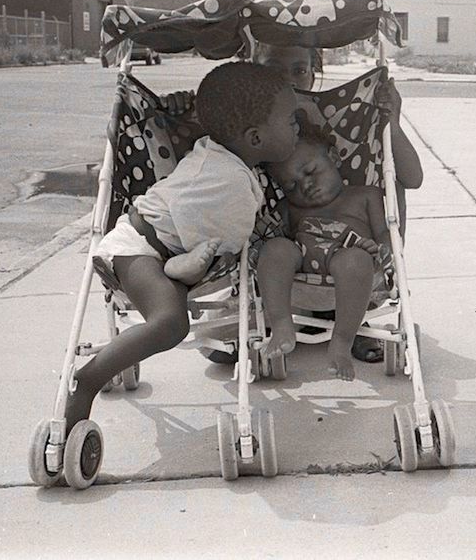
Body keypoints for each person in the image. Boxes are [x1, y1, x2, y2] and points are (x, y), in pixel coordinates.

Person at [63, 63, 299, 432]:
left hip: (162, 252)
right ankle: (87, 380)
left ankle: (180, 270)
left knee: (175, 302)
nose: (297, 127)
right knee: (170, 323)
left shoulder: (221, 153)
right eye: (291, 121)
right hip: (138, 248)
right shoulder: (227, 179)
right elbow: (232, 240)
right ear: (254, 139)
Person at [165, 43, 423, 363]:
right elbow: (213, 150)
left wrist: (391, 123)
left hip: (349, 275)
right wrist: (180, 115)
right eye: (274, 71)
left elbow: (411, 179)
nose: (288, 80)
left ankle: (346, 326)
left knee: (352, 263)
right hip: (291, 282)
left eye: (299, 71)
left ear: (314, 73)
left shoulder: (338, 128)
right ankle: (288, 324)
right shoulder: (251, 131)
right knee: (214, 342)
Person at [256, 126, 392, 381]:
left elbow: (384, 232)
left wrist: (383, 251)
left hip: (350, 261)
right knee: (275, 248)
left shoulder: (365, 195)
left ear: (334, 157)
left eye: (310, 171)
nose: (305, 185)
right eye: (291, 185)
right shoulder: (290, 208)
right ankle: (281, 323)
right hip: (303, 268)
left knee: (355, 260)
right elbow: (269, 236)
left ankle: (342, 342)